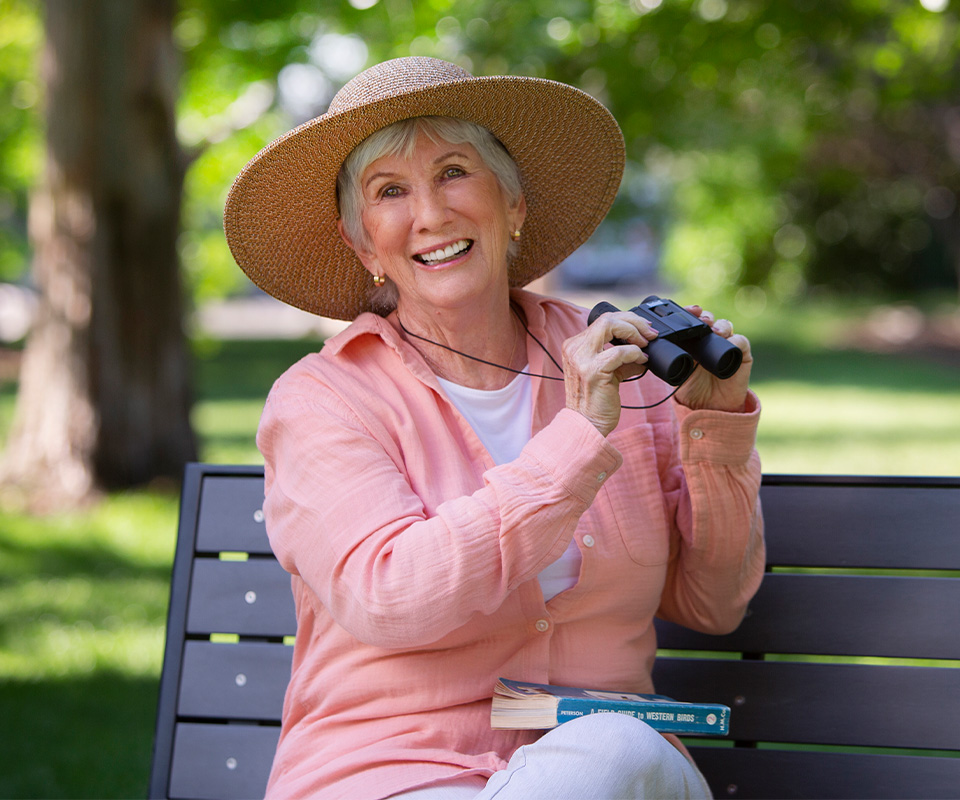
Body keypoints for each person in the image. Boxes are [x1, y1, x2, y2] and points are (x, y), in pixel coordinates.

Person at [224, 56, 765, 800]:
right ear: (364, 247)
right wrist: (577, 437)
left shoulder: (621, 361)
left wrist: (714, 422)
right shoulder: (323, 400)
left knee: (611, 750)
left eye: (454, 172)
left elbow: (714, 602)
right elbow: (393, 597)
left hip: (607, 778)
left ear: (512, 206)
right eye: (390, 191)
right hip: (393, 773)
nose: (431, 214)